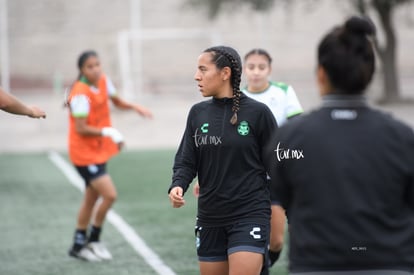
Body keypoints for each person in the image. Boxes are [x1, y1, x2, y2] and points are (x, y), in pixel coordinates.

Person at [267, 16, 414, 274]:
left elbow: (281, 201)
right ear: (369, 73)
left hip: (315, 266)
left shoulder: (288, 139)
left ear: (321, 74)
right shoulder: (403, 138)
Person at [168, 46, 278, 275]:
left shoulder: (258, 113)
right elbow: (187, 160)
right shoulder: (197, 113)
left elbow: (279, 164)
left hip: (250, 213)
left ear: (225, 73)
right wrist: (178, 184)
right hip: (210, 216)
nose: (196, 76)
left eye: (203, 69)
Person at [67, 50, 152, 262]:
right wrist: (109, 132)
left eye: (98, 64)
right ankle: (94, 239)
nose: (95, 69)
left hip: (96, 151)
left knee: (91, 197)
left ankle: (79, 244)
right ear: (82, 70)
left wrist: (135, 107)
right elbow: (81, 127)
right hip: (84, 154)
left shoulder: (104, 81)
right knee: (109, 195)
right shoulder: (79, 93)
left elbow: (117, 102)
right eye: (90, 66)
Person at [243, 48, 303, 268]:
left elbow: (297, 129)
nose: (256, 72)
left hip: (277, 174)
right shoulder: (237, 97)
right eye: (251, 67)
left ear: (269, 69)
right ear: (244, 70)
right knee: (247, 236)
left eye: (261, 67)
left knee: (276, 240)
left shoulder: (283, 91)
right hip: (247, 177)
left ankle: (263, 265)